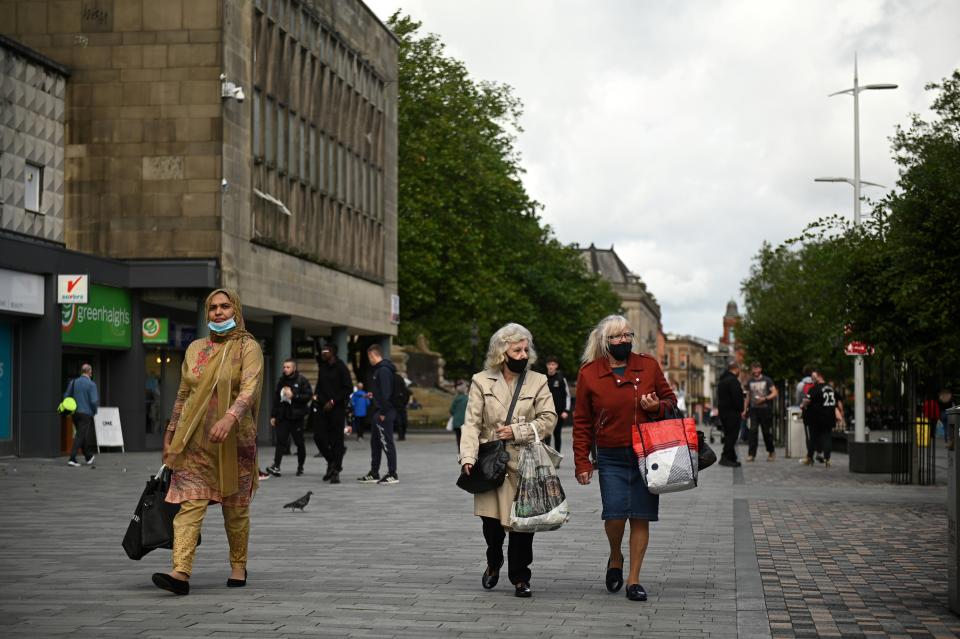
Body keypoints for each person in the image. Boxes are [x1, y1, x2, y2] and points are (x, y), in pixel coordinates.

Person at [154, 288, 264, 596]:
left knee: (236, 507)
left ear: (235, 310)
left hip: (235, 443)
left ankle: (238, 565)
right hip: (194, 443)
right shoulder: (195, 349)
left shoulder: (248, 347)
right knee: (190, 503)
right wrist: (171, 431)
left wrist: (229, 418)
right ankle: (180, 572)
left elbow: (249, 388)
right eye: (213, 307)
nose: (218, 312)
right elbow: (183, 393)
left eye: (225, 306)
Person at [573, 314, 676, 602]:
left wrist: (656, 407)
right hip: (610, 454)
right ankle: (615, 555)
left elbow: (671, 401)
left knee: (641, 517)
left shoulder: (649, 366)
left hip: (647, 453)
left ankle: (634, 579)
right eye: (616, 337)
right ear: (605, 342)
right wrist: (582, 461)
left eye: (627, 335)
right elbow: (581, 421)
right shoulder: (590, 374)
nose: (623, 341)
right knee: (615, 513)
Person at [459, 323, 557, 598]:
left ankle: (520, 577)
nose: (524, 354)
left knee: (522, 525)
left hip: (524, 462)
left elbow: (548, 419)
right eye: (517, 349)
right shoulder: (481, 380)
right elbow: (471, 424)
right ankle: (494, 561)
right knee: (492, 525)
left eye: (526, 349)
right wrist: (467, 456)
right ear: (503, 353)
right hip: (490, 462)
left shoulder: (538, 381)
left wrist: (518, 430)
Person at [358, 344, 399, 484]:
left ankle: (392, 473)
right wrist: (373, 395)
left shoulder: (383, 371)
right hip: (379, 412)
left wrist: (383, 412)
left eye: (369, 357)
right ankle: (374, 472)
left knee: (387, 442)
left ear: (372, 355)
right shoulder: (380, 370)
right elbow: (382, 392)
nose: (369, 360)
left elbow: (387, 393)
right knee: (375, 443)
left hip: (384, 413)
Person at [265, 359, 312, 478]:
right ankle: (276, 466)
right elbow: (276, 399)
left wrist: (294, 395)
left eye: (288, 367)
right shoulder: (281, 381)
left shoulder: (301, 380)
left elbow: (308, 396)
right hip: (283, 416)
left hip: (296, 417)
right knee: (280, 442)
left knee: (299, 443)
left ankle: (300, 466)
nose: (285, 369)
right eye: (284, 367)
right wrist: (273, 415)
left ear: (294, 368)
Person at [313, 343, 353, 483]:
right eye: (322, 350)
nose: (323, 353)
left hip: (337, 409)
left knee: (336, 440)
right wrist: (316, 396)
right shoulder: (322, 367)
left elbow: (348, 388)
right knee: (318, 437)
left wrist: (333, 401)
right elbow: (319, 385)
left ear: (332, 352)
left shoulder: (341, 367)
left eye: (325, 350)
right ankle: (331, 461)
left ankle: (336, 471)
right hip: (322, 407)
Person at [801, 369, 838, 468]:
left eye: (814, 377)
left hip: (816, 418)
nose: (812, 379)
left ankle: (809, 458)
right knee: (827, 438)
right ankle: (827, 459)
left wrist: (803, 404)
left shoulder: (815, 388)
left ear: (820, 376)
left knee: (812, 438)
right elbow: (836, 402)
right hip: (829, 416)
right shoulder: (831, 388)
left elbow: (807, 400)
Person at [66, 363, 99, 467]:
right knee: (80, 435)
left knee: (81, 434)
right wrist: (95, 411)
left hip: (75, 413)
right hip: (86, 413)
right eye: (91, 372)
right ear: (89, 372)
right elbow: (94, 401)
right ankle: (72, 458)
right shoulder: (91, 384)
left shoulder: (74, 382)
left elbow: (66, 396)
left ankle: (88, 456)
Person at [744, 361, 778, 462]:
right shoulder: (750, 381)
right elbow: (748, 396)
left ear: (760, 369)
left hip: (765, 409)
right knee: (753, 431)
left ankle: (771, 451)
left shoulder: (767, 380)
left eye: (757, 369)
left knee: (766, 432)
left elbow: (775, 392)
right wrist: (745, 409)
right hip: (754, 409)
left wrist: (765, 398)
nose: (755, 371)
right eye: (753, 369)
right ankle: (751, 454)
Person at [715, 361, 745, 467]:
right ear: (736, 369)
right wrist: (741, 409)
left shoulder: (722, 381)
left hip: (724, 412)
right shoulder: (733, 381)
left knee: (729, 435)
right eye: (739, 370)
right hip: (732, 413)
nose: (739, 372)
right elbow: (737, 398)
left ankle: (732, 457)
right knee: (732, 436)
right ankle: (725, 457)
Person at [544, 356, 570, 453]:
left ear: (556, 366)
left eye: (553, 364)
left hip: (559, 412)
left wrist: (566, 411)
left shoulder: (561, 379)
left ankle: (557, 457)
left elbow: (567, 395)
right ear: (547, 366)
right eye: (549, 364)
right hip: (546, 412)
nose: (551, 366)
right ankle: (548, 457)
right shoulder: (543, 379)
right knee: (547, 435)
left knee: (557, 434)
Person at [449, 381, 468, 448]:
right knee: (465, 439)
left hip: (456, 422)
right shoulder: (468, 399)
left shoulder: (456, 399)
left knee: (458, 437)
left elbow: (451, 410)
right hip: (465, 422)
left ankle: (460, 452)